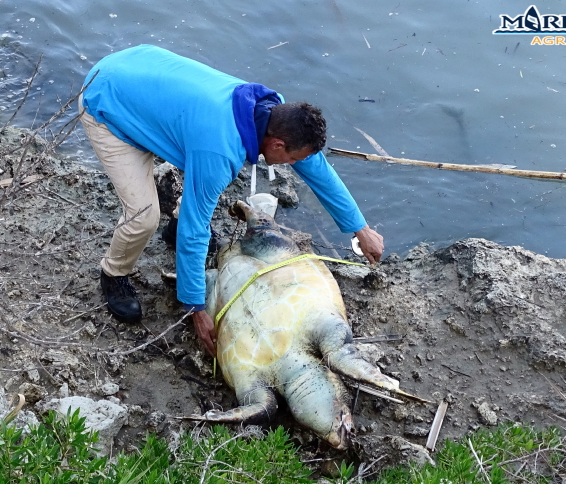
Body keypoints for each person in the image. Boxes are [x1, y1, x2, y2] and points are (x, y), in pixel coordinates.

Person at [79, 44, 384, 356]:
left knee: (204, 181)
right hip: (106, 102)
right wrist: (196, 307)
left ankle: (173, 224)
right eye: (291, 158)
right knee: (144, 217)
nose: (292, 164)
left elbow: (317, 168)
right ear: (277, 144)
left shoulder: (271, 110)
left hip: (141, 75)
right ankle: (113, 273)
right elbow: (195, 230)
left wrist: (360, 228)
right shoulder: (220, 150)